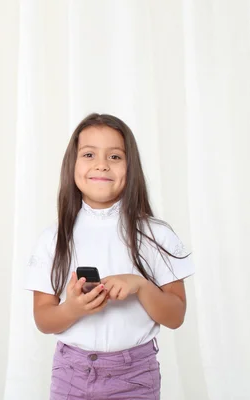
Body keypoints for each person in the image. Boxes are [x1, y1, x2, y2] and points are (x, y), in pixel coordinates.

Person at [25, 113, 194, 399]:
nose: (101, 164)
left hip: (135, 376)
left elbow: (176, 316)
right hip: (71, 375)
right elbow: (43, 319)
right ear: (72, 165)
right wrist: (73, 308)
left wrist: (140, 285)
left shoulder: (155, 234)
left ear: (131, 167)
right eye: (89, 154)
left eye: (115, 157)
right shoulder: (54, 238)